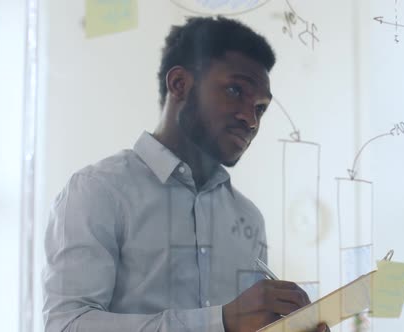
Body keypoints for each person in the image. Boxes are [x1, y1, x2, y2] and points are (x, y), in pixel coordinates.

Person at [42, 16, 328, 332]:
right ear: (179, 84)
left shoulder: (249, 218)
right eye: (235, 90)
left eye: (260, 108)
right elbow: (66, 325)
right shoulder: (98, 191)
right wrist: (219, 321)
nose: (251, 120)